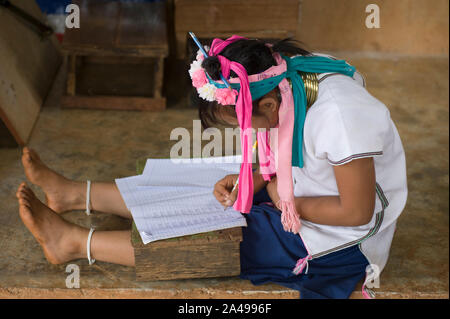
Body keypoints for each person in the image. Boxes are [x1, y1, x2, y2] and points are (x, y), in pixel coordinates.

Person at [16, 36, 407, 299]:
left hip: (340, 238)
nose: (241, 131)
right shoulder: (280, 79)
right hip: (306, 195)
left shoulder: (339, 116)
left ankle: (72, 243)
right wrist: (253, 177)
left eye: (240, 121)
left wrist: (278, 197)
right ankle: (73, 195)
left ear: (268, 107)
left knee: (218, 236)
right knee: (209, 185)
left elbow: (357, 211)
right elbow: (278, 146)